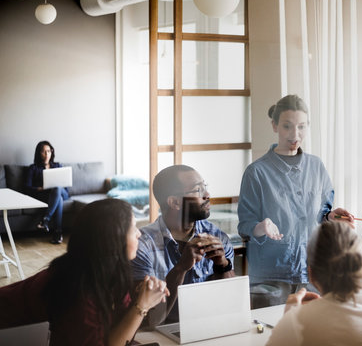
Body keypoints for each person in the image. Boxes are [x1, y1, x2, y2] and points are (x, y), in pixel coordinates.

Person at [0, 198, 170, 346]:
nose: (139, 234)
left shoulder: (111, 273)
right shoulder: (77, 290)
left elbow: (118, 335)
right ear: (113, 239)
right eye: (133, 228)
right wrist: (141, 306)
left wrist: (139, 300)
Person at [238, 94, 354, 307]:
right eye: (287, 126)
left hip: (311, 272)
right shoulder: (257, 172)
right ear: (274, 126)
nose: (295, 134)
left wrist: (331, 216)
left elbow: (321, 215)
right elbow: (245, 227)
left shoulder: (316, 166)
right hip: (270, 277)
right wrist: (261, 227)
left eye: (301, 127)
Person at [131, 165, 235, 325]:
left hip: (210, 325)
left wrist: (223, 264)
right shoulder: (142, 245)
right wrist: (180, 268)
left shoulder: (217, 237)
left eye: (205, 187)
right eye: (197, 190)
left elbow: (230, 301)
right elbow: (148, 319)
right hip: (161, 331)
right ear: (174, 202)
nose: (207, 195)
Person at [25, 140, 68, 244]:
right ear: (39, 153)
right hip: (45, 195)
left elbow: (65, 185)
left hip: (62, 192)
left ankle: (46, 220)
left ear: (52, 152)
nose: (46, 154)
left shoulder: (58, 166)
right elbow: (27, 187)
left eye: (48, 151)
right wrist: (40, 188)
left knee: (58, 188)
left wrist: (59, 186)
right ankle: (57, 233)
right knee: (59, 200)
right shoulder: (33, 168)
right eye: (43, 152)